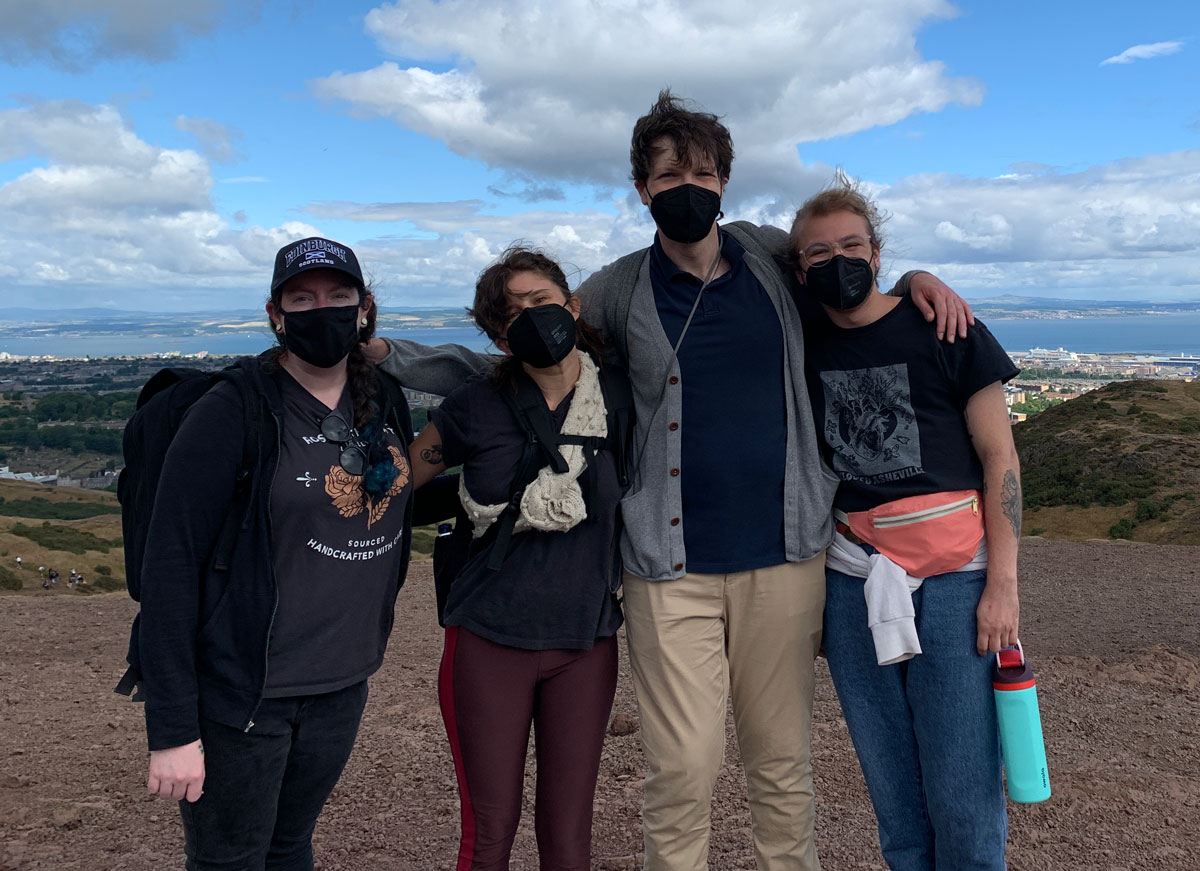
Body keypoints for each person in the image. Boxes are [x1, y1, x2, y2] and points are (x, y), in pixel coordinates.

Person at [369, 90, 973, 871]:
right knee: (683, 768)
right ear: (641, 188)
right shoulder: (620, 288)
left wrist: (920, 274)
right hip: (668, 568)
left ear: (724, 180)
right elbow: (520, 360)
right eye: (667, 175)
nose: (686, 186)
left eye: (701, 171)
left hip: (785, 557)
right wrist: (387, 355)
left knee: (781, 765)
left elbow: (847, 275)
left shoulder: (766, 256)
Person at [137, 236, 417, 871]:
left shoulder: (383, 400)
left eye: (338, 296)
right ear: (275, 314)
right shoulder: (232, 412)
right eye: (302, 298)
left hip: (342, 680)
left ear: (365, 307)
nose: (323, 310)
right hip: (245, 690)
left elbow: (388, 499)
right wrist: (174, 730)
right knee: (230, 858)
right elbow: (171, 566)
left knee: (290, 847)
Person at [789, 181, 1020, 870]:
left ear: (879, 251)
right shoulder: (801, 340)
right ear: (800, 271)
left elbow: (999, 457)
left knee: (964, 790)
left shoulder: (947, 328)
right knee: (894, 794)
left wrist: (1003, 583)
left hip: (956, 581)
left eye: (853, 245)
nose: (839, 260)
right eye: (820, 252)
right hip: (854, 580)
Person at [404, 246, 630, 870]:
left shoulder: (620, 400)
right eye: (512, 314)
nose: (531, 318)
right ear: (499, 338)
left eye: (541, 302)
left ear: (573, 307)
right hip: (487, 637)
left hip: (586, 640)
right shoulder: (475, 405)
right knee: (490, 830)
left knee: (568, 833)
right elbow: (399, 482)